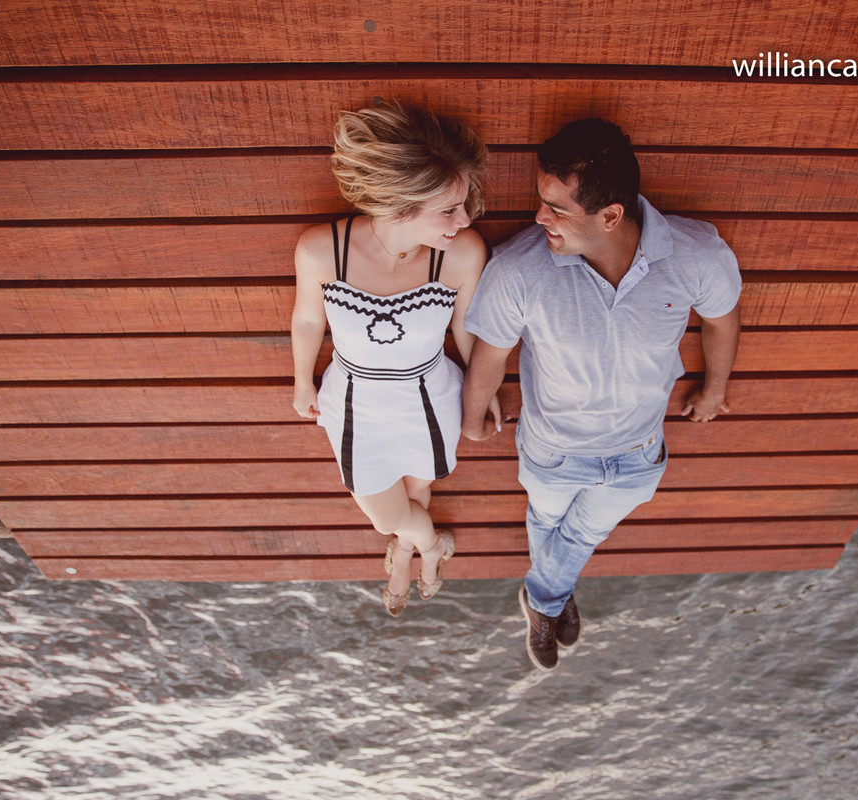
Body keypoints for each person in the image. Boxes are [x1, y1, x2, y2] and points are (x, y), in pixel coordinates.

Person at [461, 118, 742, 671]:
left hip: (638, 451)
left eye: (557, 208)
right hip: (552, 450)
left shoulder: (696, 256)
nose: (540, 217)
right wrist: (472, 418)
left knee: (580, 529)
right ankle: (549, 598)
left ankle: (543, 599)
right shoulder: (520, 269)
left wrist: (714, 391)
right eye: (542, 201)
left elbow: (721, 321)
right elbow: (489, 354)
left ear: (611, 215)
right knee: (549, 521)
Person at [291, 103, 498, 616]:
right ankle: (426, 546)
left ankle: (406, 556)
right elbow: (308, 321)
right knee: (386, 514)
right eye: (449, 208)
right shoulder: (322, 250)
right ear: (401, 203)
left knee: (417, 486)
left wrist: (482, 391)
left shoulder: (464, 252)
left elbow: (465, 330)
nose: (465, 218)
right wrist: (301, 382)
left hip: (430, 397)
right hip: (355, 402)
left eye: (464, 202)